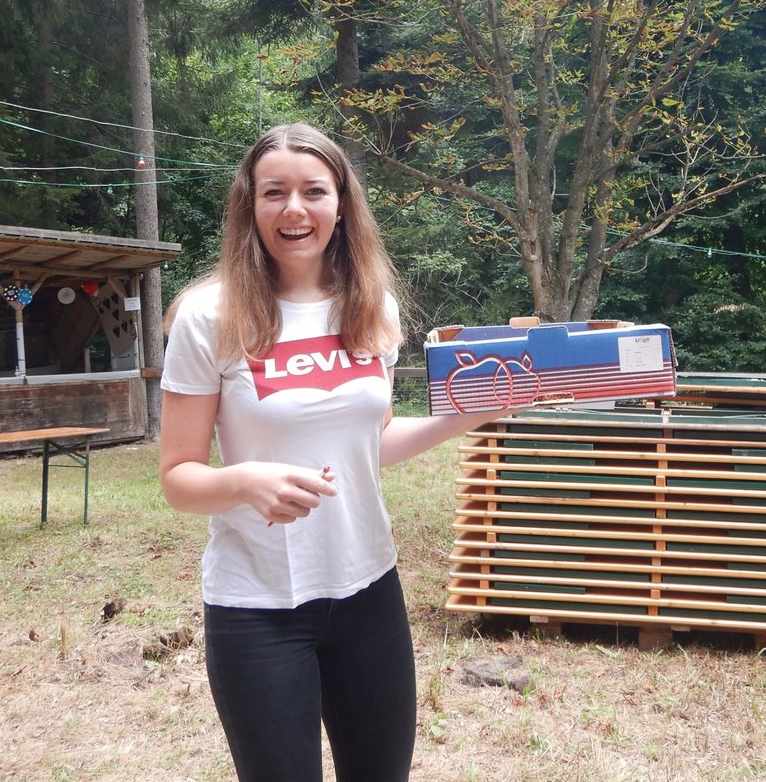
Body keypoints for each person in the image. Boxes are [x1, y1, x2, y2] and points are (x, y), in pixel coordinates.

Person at [159, 122, 508, 782]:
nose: (294, 208)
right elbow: (178, 476)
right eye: (274, 192)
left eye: (314, 191)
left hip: (369, 592)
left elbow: (367, 445)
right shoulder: (209, 316)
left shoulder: (372, 306)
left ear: (341, 204)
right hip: (257, 606)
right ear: (250, 205)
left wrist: (473, 411)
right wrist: (245, 481)